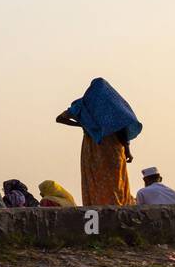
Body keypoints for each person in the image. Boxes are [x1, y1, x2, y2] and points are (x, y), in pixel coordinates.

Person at [56, 78, 139, 206]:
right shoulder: (113, 106)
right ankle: (117, 205)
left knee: (94, 178)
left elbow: (60, 118)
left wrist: (83, 124)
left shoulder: (82, 105)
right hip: (113, 148)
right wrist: (128, 150)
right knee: (116, 181)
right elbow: (123, 130)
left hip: (92, 148)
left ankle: (96, 204)